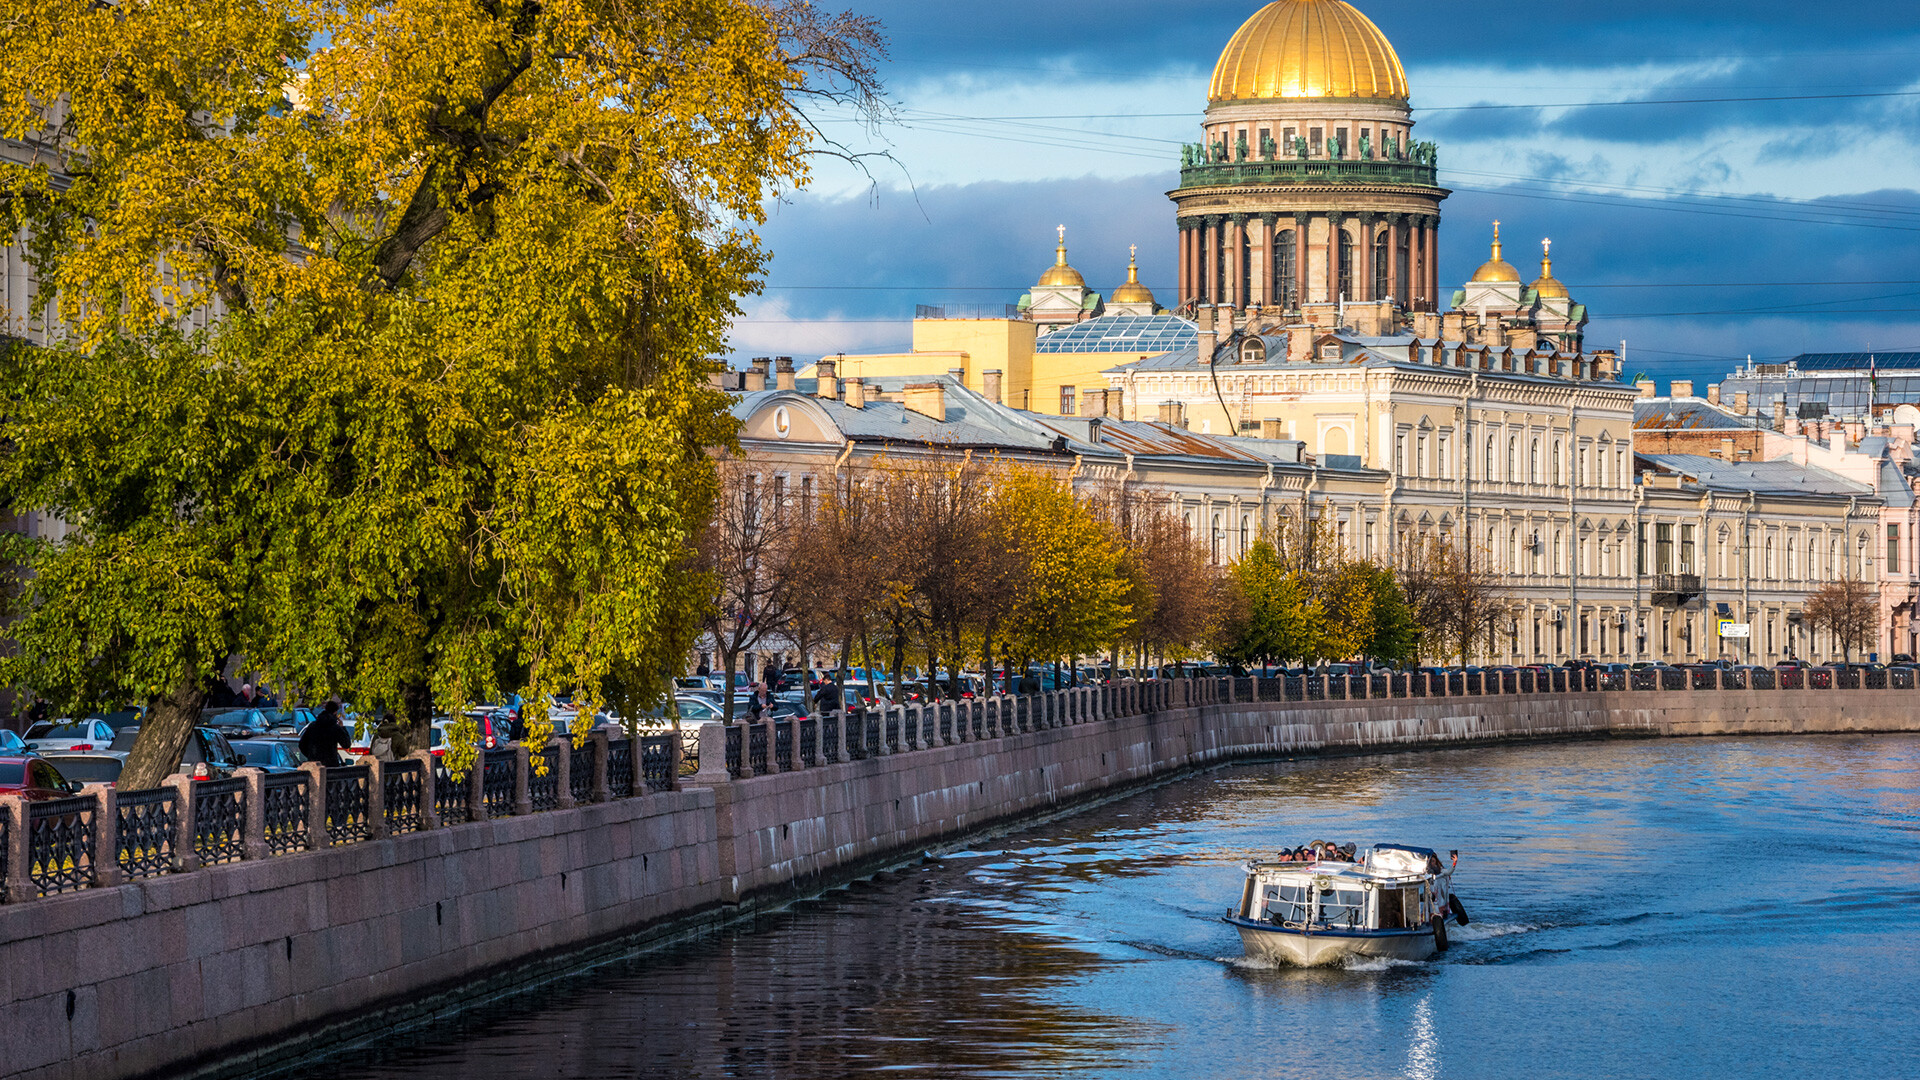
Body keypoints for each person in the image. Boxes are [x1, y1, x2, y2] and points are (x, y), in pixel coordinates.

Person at [298, 702, 351, 767]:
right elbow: (346, 744)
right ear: (335, 712)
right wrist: (343, 728)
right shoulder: (335, 728)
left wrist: (311, 755)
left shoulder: (313, 726)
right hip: (331, 765)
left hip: (314, 765)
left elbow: (302, 744)